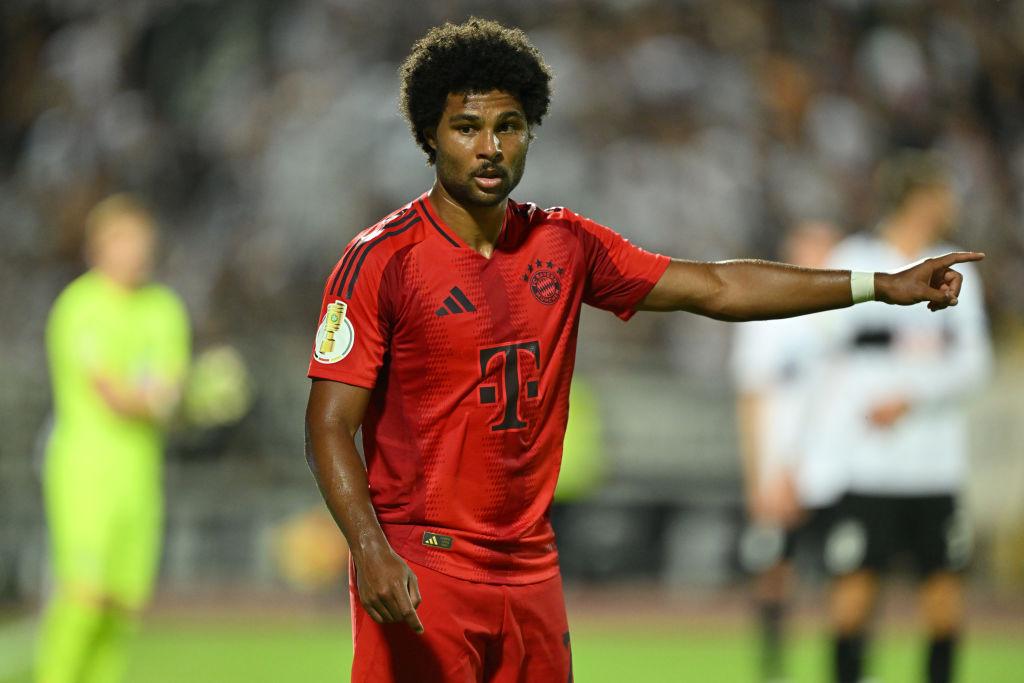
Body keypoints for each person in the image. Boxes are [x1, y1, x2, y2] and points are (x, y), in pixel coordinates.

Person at [303, 20, 981, 683]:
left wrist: (877, 285)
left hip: (531, 570)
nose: (490, 147)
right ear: (429, 135)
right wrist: (368, 549)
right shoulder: (382, 261)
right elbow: (328, 424)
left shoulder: (564, 244)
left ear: (530, 131)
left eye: (508, 126)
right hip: (425, 563)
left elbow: (716, 286)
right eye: (466, 127)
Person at [807, 151, 992, 683]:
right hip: (867, 465)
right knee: (853, 594)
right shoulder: (857, 257)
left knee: (944, 599)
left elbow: (975, 363)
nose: (950, 205)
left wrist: (911, 397)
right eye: (941, 194)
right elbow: (825, 357)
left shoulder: (955, 269)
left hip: (935, 467)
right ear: (917, 198)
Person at [37, 195, 191, 683]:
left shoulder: (164, 309)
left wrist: (171, 397)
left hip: (139, 474)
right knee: (84, 596)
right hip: (85, 470)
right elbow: (117, 396)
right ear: (97, 248)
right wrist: (171, 398)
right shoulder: (80, 306)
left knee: (123, 606)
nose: (133, 252)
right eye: (121, 241)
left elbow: (169, 390)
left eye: (140, 242)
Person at [731, 220, 842, 682]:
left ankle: (844, 667)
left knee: (848, 571)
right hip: (780, 468)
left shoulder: (848, 313)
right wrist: (760, 476)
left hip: (838, 466)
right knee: (774, 569)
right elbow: (751, 397)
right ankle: (772, 670)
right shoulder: (766, 313)